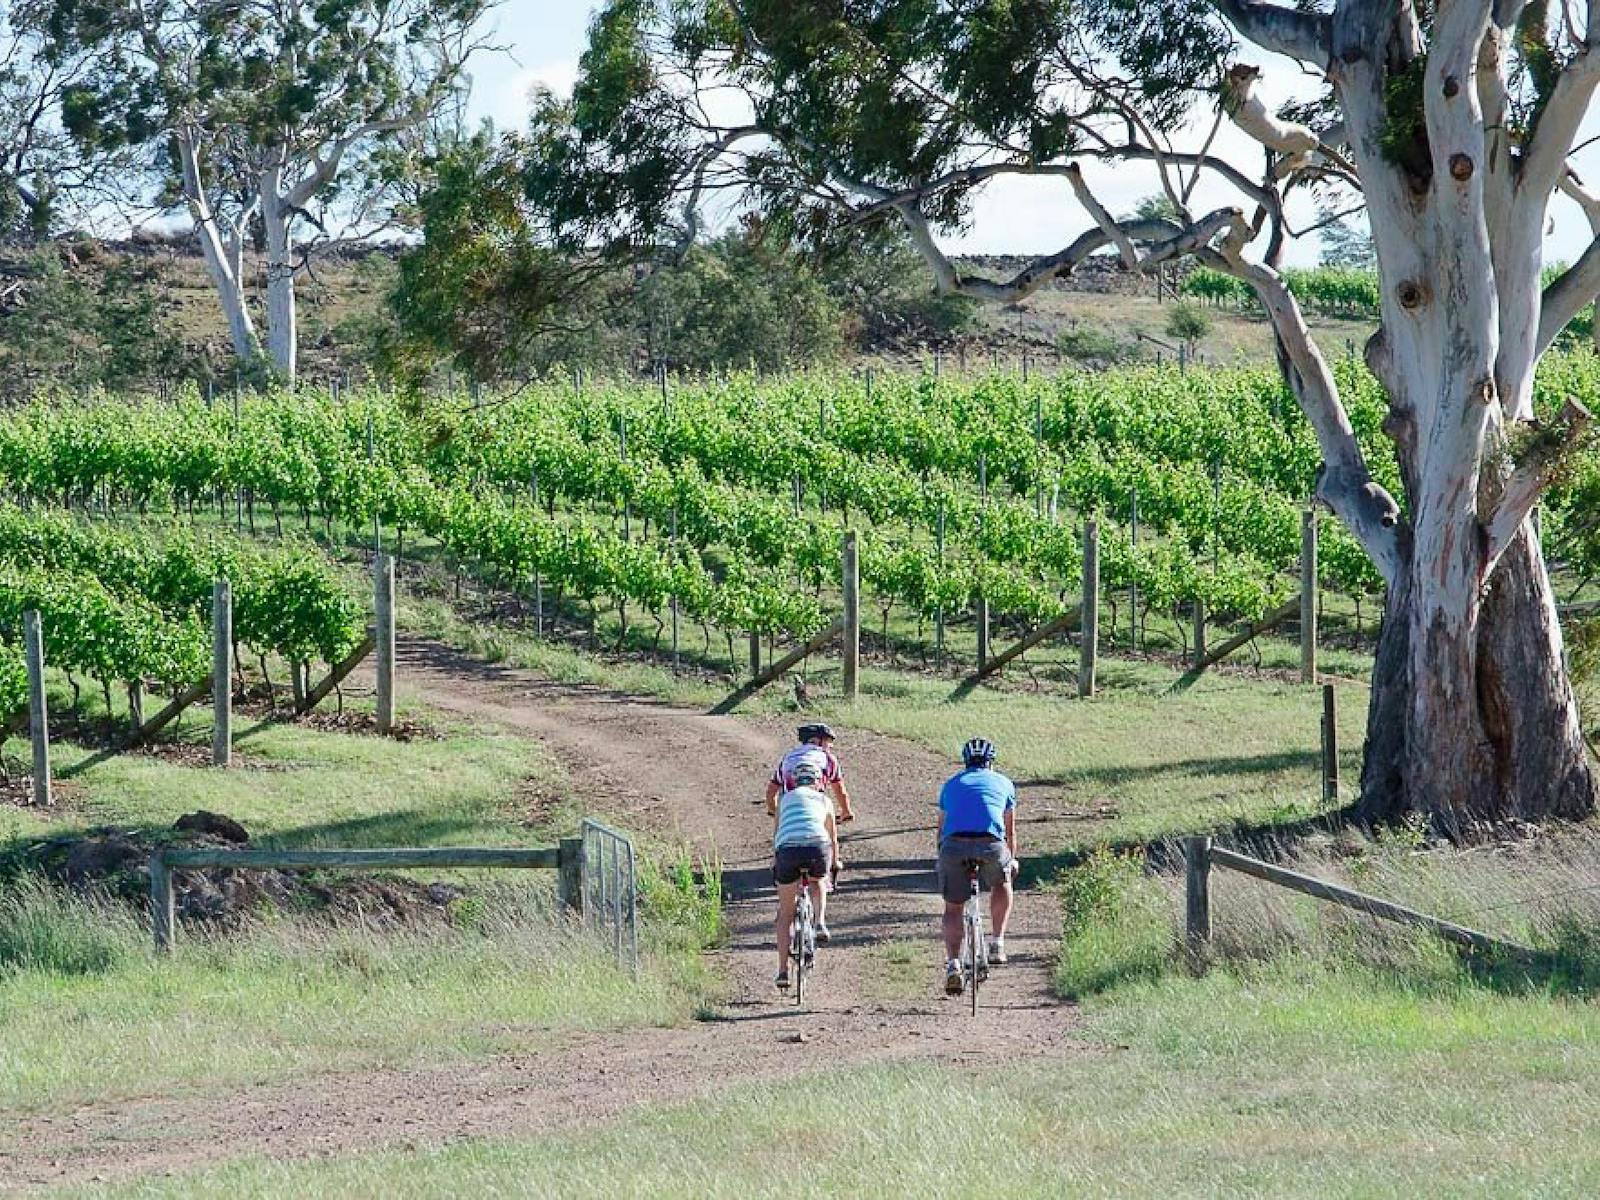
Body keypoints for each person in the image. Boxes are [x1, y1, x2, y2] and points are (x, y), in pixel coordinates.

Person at [935, 736, 1018, 996]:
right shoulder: (1004, 783)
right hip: (990, 844)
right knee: (1002, 882)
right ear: (990, 762)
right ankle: (997, 943)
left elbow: (940, 831)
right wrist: (1011, 860)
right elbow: (1010, 832)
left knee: (953, 908)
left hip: (954, 846)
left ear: (966, 761)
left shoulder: (951, 784)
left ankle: (953, 964)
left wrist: (942, 857)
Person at [771, 760, 842, 989]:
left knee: (785, 914)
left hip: (788, 849)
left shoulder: (784, 799)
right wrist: (835, 863)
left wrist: (776, 861)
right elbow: (832, 839)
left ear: (793, 781)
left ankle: (782, 971)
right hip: (816, 847)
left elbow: (778, 834)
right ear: (817, 782)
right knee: (818, 881)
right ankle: (820, 922)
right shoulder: (824, 800)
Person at [765, 722, 856, 823]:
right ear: (817, 741)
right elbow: (840, 790)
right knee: (829, 827)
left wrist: (774, 811)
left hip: (790, 807)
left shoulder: (788, 758)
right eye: (828, 742)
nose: (831, 746)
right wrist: (846, 811)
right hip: (815, 807)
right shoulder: (828, 758)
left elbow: (771, 792)